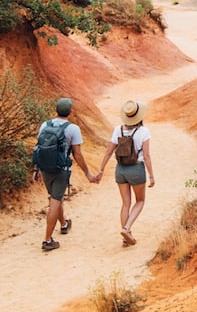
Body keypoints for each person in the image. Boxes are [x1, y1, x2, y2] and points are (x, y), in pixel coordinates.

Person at [33, 97, 95, 251]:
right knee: (55, 201)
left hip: (45, 168)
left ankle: (64, 224)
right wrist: (87, 172)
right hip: (61, 170)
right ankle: (47, 240)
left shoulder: (44, 125)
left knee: (56, 197)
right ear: (70, 111)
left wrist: (36, 169)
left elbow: (38, 148)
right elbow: (77, 154)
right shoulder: (73, 129)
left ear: (56, 110)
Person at [93, 99, 154, 246]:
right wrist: (151, 175)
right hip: (136, 169)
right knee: (140, 201)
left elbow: (109, 152)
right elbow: (146, 156)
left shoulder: (118, 130)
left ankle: (125, 238)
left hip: (120, 170)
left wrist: (101, 170)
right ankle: (126, 229)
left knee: (125, 204)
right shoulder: (144, 131)